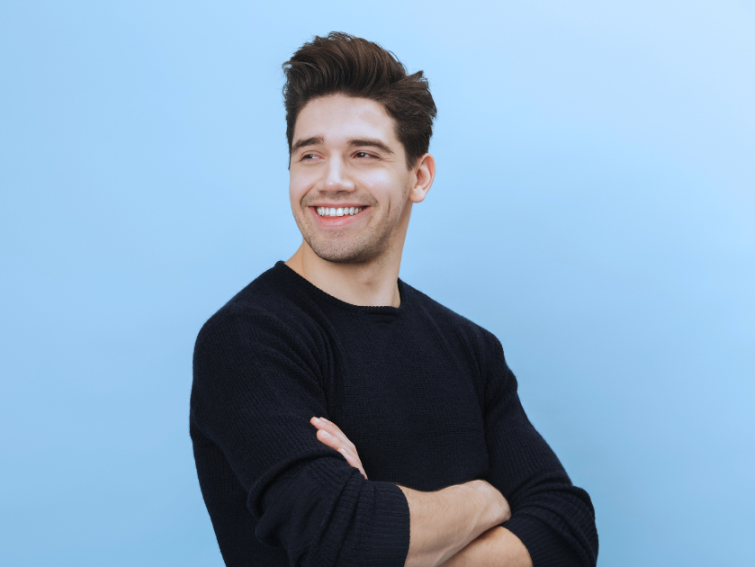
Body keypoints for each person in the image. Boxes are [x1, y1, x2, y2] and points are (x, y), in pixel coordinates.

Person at [189, 32, 598, 567]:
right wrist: (486, 497)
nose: (331, 180)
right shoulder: (247, 340)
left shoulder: (470, 348)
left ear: (418, 177)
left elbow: (568, 535)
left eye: (363, 153)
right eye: (310, 154)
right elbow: (346, 544)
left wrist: (390, 528)